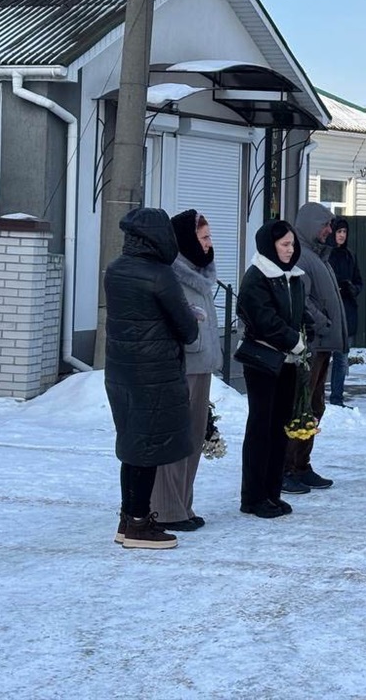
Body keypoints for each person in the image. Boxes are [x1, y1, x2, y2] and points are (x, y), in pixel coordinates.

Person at [104, 207, 199, 549]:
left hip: (120, 371)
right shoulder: (160, 274)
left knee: (132, 446)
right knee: (148, 449)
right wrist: (192, 316)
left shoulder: (115, 270)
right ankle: (140, 524)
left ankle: (128, 518)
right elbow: (187, 330)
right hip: (154, 374)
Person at [149, 210, 222, 533]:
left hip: (201, 365)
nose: (209, 244)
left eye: (208, 238)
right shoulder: (172, 274)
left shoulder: (201, 273)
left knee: (193, 438)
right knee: (176, 439)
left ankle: (183, 504)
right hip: (181, 366)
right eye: (203, 238)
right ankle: (165, 509)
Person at [236, 220, 307, 519]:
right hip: (264, 361)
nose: (290, 250)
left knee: (280, 428)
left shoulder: (292, 277)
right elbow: (263, 319)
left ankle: (272, 492)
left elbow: (297, 313)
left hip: (288, 360)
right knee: (260, 429)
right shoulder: (257, 277)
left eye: (292, 244)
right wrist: (294, 340)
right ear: (270, 245)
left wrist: (305, 334)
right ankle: (253, 497)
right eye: (284, 245)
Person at [284, 203, 347, 493]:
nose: (329, 231)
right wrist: (322, 323)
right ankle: (287, 467)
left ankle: (301, 464)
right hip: (310, 346)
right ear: (311, 224)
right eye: (325, 225)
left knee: (314, 407)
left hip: (322, 346)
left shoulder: (320, 257)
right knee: (300, 406)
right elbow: (303, 300)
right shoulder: (302, 258)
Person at [327, 218, 363, 407]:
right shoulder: (325, 254)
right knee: (323, 358)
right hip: (328, 312)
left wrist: (353, 289)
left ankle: (337, 398)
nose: (341, 235)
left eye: (344, 232)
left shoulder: (350, 255)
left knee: (341, 359)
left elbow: (359, 281)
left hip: (347, 311)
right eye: (338, 231)